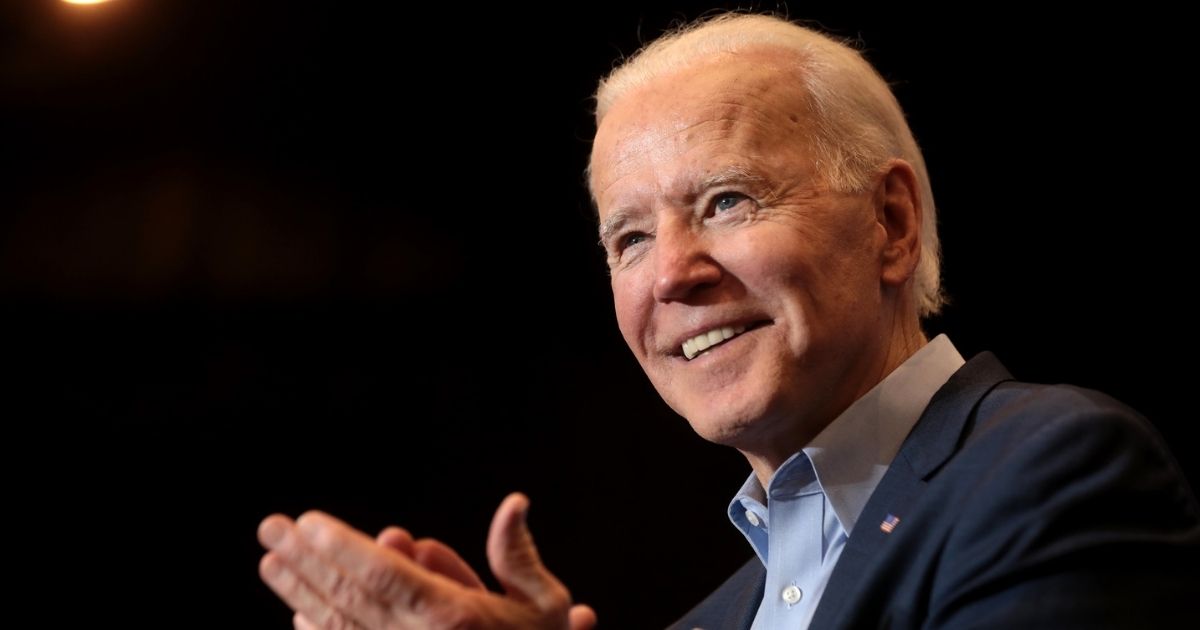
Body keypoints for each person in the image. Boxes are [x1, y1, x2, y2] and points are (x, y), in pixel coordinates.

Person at [257, 13, 1200, 629]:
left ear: (891, 225)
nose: (671, 273)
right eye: (628, 239)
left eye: (728, 202)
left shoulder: (1049, 470)